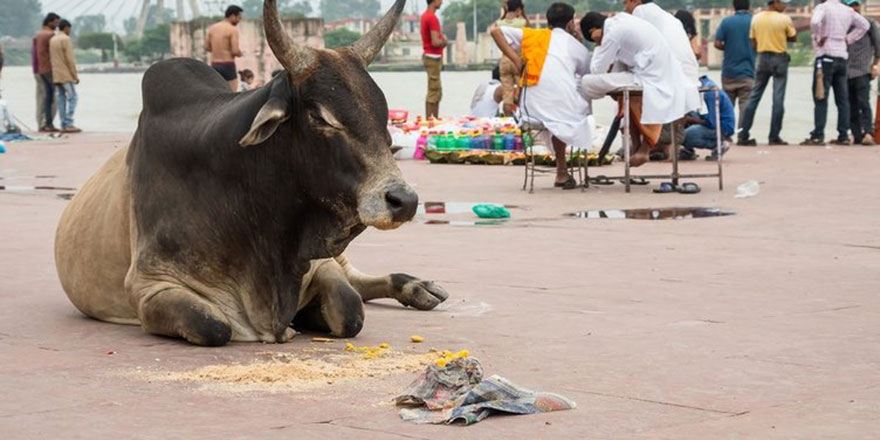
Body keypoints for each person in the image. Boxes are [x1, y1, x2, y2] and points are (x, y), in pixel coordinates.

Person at [491, 3, 592, 189]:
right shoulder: (577, 48)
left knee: (557, 111)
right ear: (570, 23)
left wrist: (517, 59)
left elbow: (495, 31)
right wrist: (579, 41)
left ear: (548, 21)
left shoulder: (534, 35)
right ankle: (562, 171)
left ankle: (562, 170)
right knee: (573, 110)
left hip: (530, 108)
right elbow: (586, 75)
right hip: (560, 111)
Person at [579, 12, 692, 167]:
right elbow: (616, 64)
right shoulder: (622, 21)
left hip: (649, 78)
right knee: (621, 93)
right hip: (653, 74)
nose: (597, 42)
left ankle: (643, 149)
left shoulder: (612, 32)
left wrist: (599, 45)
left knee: (586, 82)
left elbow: (597, 69)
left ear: (594, 30)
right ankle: (639, 147)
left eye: (594, 38)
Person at [624, 0, 701, 160]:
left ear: (635, 1)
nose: (625, 8)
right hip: (690, 79)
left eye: (626, 3)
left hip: (669, 76)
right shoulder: (671, 18)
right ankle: (645, 148)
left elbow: (635, 45)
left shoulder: (640, 11)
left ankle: (641, 147)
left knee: (627, 97)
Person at [800, 0, 869, 145]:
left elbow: (814, 22)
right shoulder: (848, 10)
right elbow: (865, 25)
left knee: (821, 97)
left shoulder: (823, 7)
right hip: (842, 58)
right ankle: (843, 135)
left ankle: (818, 134)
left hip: (825, 57)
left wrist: (819, 36)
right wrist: (848, 39)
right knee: (843, 100)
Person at [737, 0, 796, 146]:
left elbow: (753, 41)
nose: (785, 6)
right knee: (778, 98)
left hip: (762, 58)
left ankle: (743, 134)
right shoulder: (784, 19)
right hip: (779, 58)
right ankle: (774, 136)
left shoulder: (756, 18)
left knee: (754, 96)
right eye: (783, 3)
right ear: (775, 3)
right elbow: (793, 37)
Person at [714, 0, 756, 129]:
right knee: (745, 106)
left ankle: (726, 134)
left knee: (727, 106)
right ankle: (743, 134)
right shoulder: (754, 21)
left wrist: (728, 48)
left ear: (734, 6)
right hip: (748, 71)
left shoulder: (727, 22)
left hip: (729, 72)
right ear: (749, 6)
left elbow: (717, 43)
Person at [844, 0, 880, 145]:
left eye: (856, 5)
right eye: (851, 5)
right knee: (850, 105)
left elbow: (878, 47)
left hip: (863, 70)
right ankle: (856, 134)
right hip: (846, 71)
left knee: (864, 102)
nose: (854, 8)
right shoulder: (844, 25)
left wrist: (874, 66)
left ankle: (868, 133)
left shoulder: (869, 24)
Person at [681, 75, 736, 161]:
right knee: (690, 112)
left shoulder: (709, 92)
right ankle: (688, 150)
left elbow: (712, 123)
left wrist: (690, 120)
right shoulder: (709, 86)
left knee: (686, 135)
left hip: (723, 128)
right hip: (719, 122)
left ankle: (718, 145)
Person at [496, 0, 529, 115]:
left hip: (504, 60)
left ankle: (508, 119)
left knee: (507, 94)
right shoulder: (522, 22)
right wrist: (523, 14)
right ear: (519, 10)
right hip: (518, 59)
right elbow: (532, 32)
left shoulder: (499, 23)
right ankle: (521, 117)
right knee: (522, 91)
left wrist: (505, 11)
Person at [50, 19, 81, 133]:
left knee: (61, 99)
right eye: (70, 29)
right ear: (66, 28)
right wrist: (75, 75)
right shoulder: (65, 39)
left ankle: (63, 123)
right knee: (73, 98)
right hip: (66, 75)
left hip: (56, 75)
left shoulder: (53, 39)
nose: (70, 31)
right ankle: (69, 123)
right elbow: (70, 59)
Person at [206, 5, 244, 92]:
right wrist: (240, 53)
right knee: (232, 94)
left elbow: (207, 47)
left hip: (214, 65)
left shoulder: (212, 28)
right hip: (228, 65)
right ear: (232, 16)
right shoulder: (232, 29)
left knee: (217, 93)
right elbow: (235, 50)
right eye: (238, 18)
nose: (238, 21)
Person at [421, 0, 448, 119]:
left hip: (432, 57)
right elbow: (436, 42)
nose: (442, 2)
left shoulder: (425, 16)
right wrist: (445, 40)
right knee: (434, 91)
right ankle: (430, 120)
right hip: (433, 57)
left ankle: (433, 119)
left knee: (436, 91)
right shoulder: (431, 18)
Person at [34, 12, 60, 132]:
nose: (57, 25)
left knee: (41, 97)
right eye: (55, 22)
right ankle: (48, 123)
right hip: (48, 69)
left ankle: (41, 123)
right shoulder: (50, 35)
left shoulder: (38, 34)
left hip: (38, 70)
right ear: (49, 22)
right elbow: (55, 55)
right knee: (52, 98)